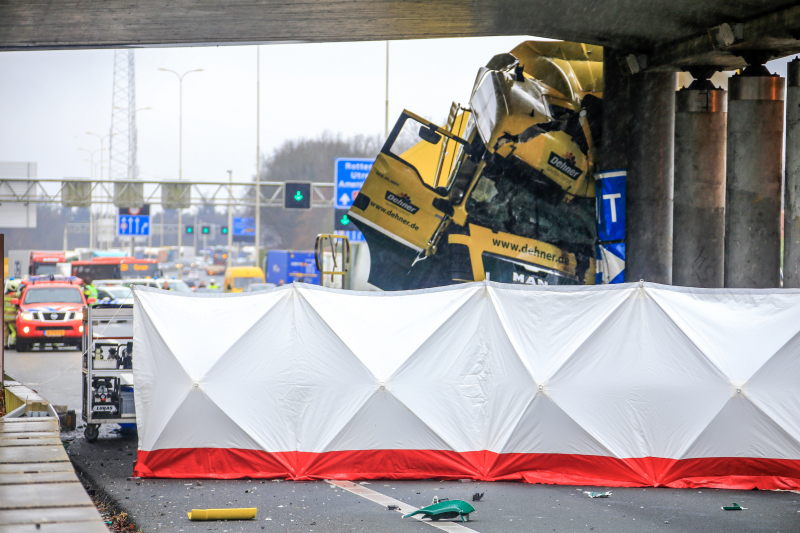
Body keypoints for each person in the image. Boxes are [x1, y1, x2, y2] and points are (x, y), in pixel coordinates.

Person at [4, 280, 20, 348]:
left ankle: (4, 345)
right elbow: (21, 293)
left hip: (4, 318)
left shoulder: (4, 295)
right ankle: (12, 344)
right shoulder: (14, 295)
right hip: (11, 318)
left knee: (5, 331)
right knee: (15, 331)